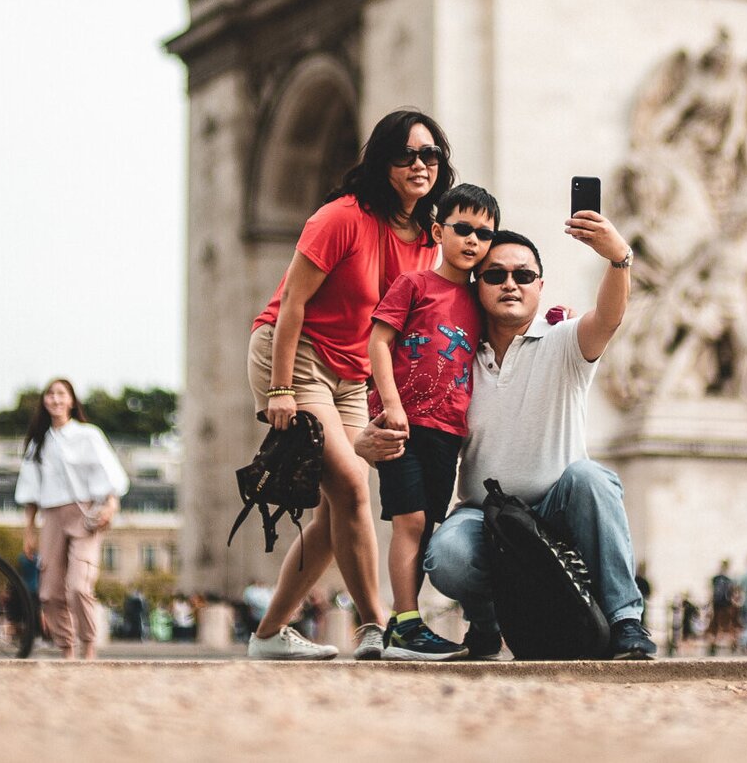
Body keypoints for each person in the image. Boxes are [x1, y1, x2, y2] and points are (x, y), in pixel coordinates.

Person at [245, 111, 455, 661]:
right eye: (406, 155)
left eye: (429, 154)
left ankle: (267, 636)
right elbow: (292, 303)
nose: (419, 165)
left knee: (334, 508)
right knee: (355, 490)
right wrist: (280, 389)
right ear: (382, 161)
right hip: (295, 357)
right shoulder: (340, 217)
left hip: (351, 374)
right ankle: (382, 629)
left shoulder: (426, 236)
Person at [417, 215, 659, 660]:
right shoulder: (454, 357)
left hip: (560, 507)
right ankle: (485, 624)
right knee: (447, 555)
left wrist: (619, 258)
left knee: (592, 479)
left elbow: (608, 317)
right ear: (477, 287)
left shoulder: (565, 340)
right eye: (495, 275)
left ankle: (626, 621)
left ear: (539, 286)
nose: (510, 284)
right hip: (484, 516)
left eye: (523, 275)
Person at [367, 184, 500, 661]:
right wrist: (391, 404)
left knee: (426, 528)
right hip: (402, 425)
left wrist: (556, 316)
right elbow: (378, 343)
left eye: (484, 234)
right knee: (411, 520)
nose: (472, 240)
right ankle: (404, 623)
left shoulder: (481, 303)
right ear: (439, 231)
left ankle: (406, 626)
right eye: (462, 229)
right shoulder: (413, 284)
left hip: (448, 433)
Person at [18, 379, 128, 659]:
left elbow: (109, 474)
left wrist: (111, 506)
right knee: (49, 592)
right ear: (44, 401)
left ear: (71, 401)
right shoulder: (38, 443)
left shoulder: (88, 435)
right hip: (52, 517)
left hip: (85, 515)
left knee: (79, 585)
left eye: (61, 394)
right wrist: (28, 532)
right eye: (50, 394)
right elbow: (30, 491)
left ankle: (88, 646)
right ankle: (66, 648)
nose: (55, 399)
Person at [709, 560, 739, 653]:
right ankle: (733, 643)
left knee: (715, 624)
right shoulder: (729, 579)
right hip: (726, 604)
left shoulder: (715, 578)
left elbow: (711, 591)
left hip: (717, 604)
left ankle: (713, 642)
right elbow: (733, 592)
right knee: (729, 624)